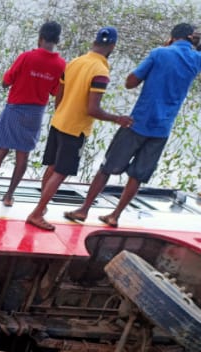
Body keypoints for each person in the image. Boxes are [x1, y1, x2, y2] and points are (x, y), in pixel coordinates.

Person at [64, 23, 201, 228]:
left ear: (171, 38)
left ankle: (84, 210)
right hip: (162, 129)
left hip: (138, 122)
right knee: (138, 175)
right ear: (190, 39)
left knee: (107, 167)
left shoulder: (160, 53)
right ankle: (114, 216)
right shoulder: (197, 59)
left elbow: (130, 83)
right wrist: (198, 43)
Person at [25, 27, 132, 231]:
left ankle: (41, 206)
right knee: (60, 171)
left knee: (52, 167)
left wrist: (61, 112)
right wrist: (117, 118)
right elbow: (92, 109)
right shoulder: (100, 71)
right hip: (75, 129)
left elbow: (59, 94)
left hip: (59, 121)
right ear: (112, 47)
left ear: (94, 42)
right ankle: (37, 213)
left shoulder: (75, 62)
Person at [0, 21, 65, 207]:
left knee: (0, 151)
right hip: (35, 114)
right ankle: (8, 196)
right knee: (23, 156)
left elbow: (6, 81)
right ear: (57, 40)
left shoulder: (26, 57)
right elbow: (55, 92)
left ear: (40, 38)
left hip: (14, 109)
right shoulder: (61, 65)